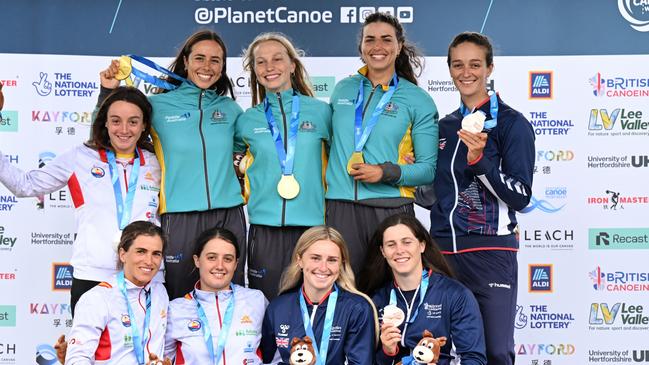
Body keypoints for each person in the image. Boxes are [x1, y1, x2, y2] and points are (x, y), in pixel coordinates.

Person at [99, 30, 246, 299]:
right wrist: (108, 91)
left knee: (228, 295)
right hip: (179, 216)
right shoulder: (157, 107)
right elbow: (113, 134)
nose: (207, 66)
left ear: (223, 67)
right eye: (200, 58)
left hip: (229, 214)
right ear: (186, 62)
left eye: (216, 60)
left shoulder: (231, 109)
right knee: (178, 296)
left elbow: (243, 156)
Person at [0, 87, 161, 315]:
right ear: (104, 122)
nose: (124, 129)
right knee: (87, 352)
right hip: (92, 277)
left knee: (144, 350)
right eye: (116, 121)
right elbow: (25, 185)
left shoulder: (158, 164)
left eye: (133, 121)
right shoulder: (80, 157)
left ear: (144, 125)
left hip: (146, 278)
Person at [427, 32, 535, 365]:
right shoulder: (444, 126)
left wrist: (480, 161)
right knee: (435, 351)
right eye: (457, 65)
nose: (466, 72)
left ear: (489, 68)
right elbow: (439, 192)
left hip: (490, 252)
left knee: (495, 352)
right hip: (442, 253)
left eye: (475, 64)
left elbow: (520, 196)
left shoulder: (512, 124)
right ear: (449, 70)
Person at [325, 12, 439, 277]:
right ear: (361, 47)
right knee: (345, 293)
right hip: (340, 208)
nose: (378, 47)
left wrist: (385, 172)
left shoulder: (417, 99)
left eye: (386, 39)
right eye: (370, 39)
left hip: (390, 209)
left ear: (399, 46)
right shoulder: (343, 89)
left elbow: (427, 170)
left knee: (390, 295)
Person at [236, 32, 332, 299]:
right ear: (254, 71)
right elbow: (229, 162)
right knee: (266, 306)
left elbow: (344, 159)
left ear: (292, 65)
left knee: (312, 304)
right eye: (261, 62)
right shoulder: (246, 120)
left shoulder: (321, 112)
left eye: (277, 59)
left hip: (311, 227)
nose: (270, 68)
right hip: (264, 229)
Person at [361, 213, 486, 365]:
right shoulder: (376, 300)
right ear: (383, 251)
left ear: (422, 245)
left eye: (406, 242)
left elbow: (474, 359)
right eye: (391, 244)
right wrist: (388, 352)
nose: (399, 250)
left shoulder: (455, 295)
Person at [260, 226, 377, 364]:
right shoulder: (278, 308)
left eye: (332, 260)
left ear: (341, 264)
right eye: (315, 258)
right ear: (300, 260)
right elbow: (267, 361)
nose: (323, 267)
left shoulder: (357, 309)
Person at [64, 221, 170, 364]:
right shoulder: (97, 298)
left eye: (156, 254)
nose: (149, 261)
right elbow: (77, 359)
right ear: (123, 254)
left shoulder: (160, 292)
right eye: (141, 252)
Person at [164, 227, 267, 364]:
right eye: (211, 257)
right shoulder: (175, 309)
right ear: (197, 260)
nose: (220, 266)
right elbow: (164, 359)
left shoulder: (256, 300)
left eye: (228, 259)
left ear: (236, 264)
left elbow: (272, 352)